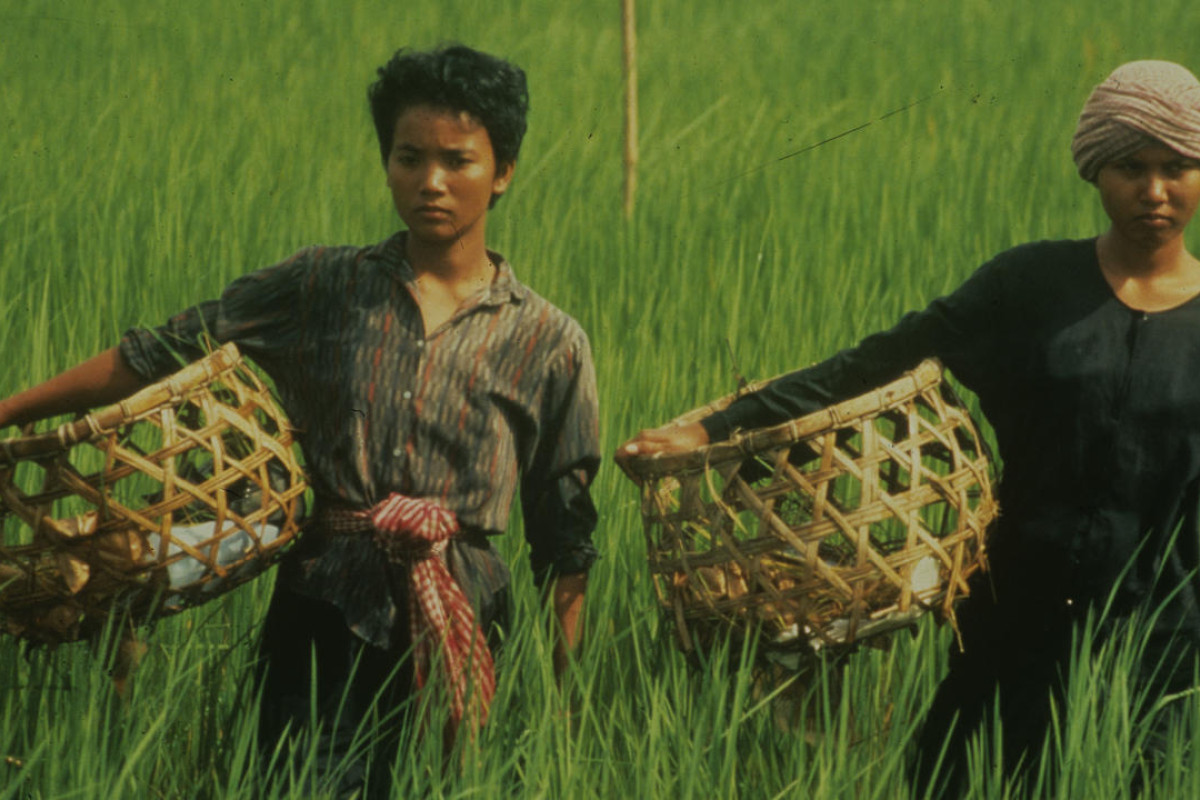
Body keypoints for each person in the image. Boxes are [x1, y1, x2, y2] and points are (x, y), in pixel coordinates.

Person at [0, 44, 600, 794]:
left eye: (459, 160)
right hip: (323, 608)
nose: (432, 182)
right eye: (410, 157)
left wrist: (568, 705)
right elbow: (165, 347)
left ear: (502, 171)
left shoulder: (548, 340)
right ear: (387, 162)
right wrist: (10, 411)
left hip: (466, 615)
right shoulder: (322, 286)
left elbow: (565, 535)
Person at [619, 60, 1200, 795]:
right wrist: (717, 428)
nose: (1154, 191)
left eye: (1176, 166)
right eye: (1130, 167)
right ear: (1094, 172)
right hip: (1013, 619)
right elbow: (879, 362)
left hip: (1163, 643)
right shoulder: (1031, 286)